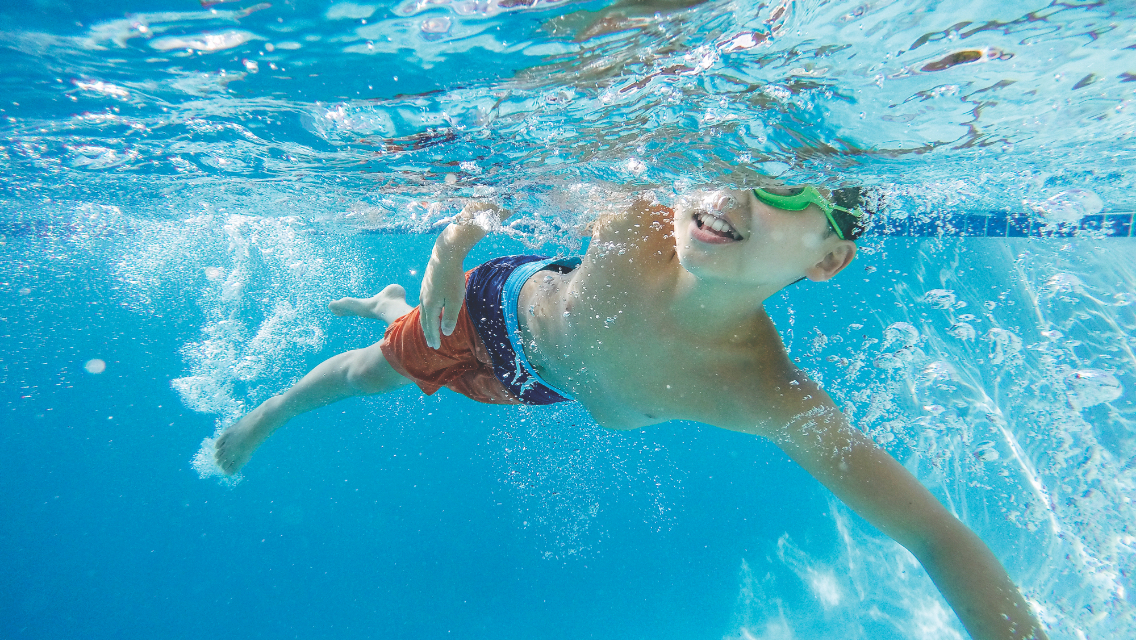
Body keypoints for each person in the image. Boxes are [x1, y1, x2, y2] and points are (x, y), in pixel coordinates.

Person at [212, 185, 1047, 640]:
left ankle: (393, 303)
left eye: (785, 187)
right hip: (490, 306)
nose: (735, 192)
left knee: (423, 353)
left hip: (532, 384)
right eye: (729, 163)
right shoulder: (637, 220)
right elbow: (501, 189)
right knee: (372, 372)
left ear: (830, 257)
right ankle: (270, 413)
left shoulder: (770, 393)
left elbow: (936, 537)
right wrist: (447, 253)